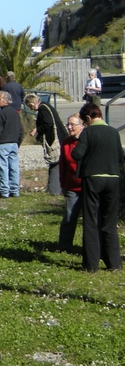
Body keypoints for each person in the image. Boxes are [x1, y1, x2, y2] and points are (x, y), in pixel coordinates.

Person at [71, 103, 123, 272]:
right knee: (109, 221)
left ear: (87, 118)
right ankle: (114, 263)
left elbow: (76, 154)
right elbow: (120, 157)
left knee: (91, 220)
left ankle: (91, 265)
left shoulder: (88, 132)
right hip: (113, 179)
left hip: (93, 178)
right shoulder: (113, 132)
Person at [24, 93, 67, 196]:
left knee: (54, 163)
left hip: (55, 140)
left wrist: (37, 130)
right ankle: (58, 188)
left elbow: (48, 123)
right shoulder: (47, 106)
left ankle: (54, 190)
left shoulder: (43, 109)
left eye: (30, 106)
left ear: (34, 102)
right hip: (61, 137)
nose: (31, 109)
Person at [58, 114, 83, 252]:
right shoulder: (66, 142)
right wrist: (62, 184)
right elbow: (62, 165)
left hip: (86, 185)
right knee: (69, 216)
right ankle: (64, 245)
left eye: (73, 125)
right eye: (68, 124)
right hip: (71, 186)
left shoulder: (86, 141)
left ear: (82, 126)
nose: (69, 127)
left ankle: (91, 245)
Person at [0, 91, 23, 198]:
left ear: (5, 100)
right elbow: (20, 130)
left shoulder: (1, 114)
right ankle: (15, 190)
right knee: (14, 167)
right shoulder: (15, 113)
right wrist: (18, 142)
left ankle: (4, 191)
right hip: (14, 143)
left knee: (3, 168)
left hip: (3, 143)